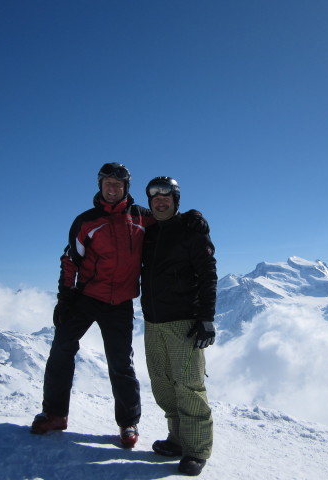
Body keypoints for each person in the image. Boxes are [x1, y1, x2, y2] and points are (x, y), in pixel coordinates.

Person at [31, 163, 207, 450]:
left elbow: (169, 218)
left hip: (120, 303)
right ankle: (54, 414)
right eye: (107, 183)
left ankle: (128, 423)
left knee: (121, 363)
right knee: (61, 350)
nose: (112, 189)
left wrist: (193, 217)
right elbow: (70, 261)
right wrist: (65, 299)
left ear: (127, 188)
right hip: (86, 297)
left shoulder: (141, 218)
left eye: (118, 184)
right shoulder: (86, 221)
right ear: (100, 186)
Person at [140, 176, 217, 476]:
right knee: (163, 384)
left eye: (166, 196)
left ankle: (197, 451)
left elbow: (208, 272)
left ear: (176, 199)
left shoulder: (190, 228)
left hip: (184, 320)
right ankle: (177, 440)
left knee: (188, 386)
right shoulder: (149, 232)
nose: (160, 200)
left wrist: (206, 317)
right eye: (154, 196)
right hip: (152, 321)